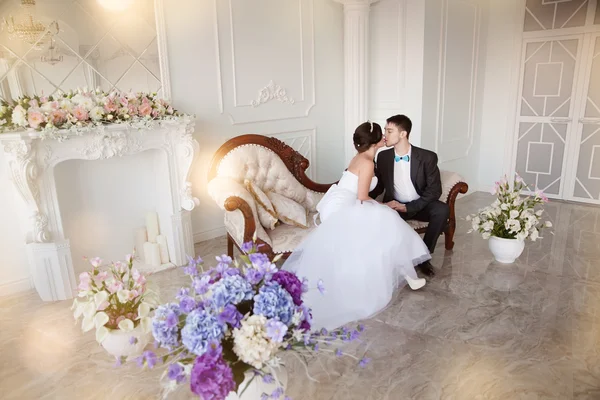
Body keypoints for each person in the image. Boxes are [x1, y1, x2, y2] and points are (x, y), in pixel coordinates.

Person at [281, 121, 430, 331]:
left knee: (384, 225)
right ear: (377, 141)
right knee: (387, 220)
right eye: (383, 134)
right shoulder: (367, 162)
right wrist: (384, 205)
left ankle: (407, 275)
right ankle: (403, 275)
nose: (386, 137)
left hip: (343, 201)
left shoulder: (362, 157)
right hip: (344, 206)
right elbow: (362, 197)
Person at [369, 114, 449, 276]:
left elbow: (435, 190)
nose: (385, 135)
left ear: (403, 134)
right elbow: (381, 185)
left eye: (389, 131)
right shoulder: (383, 156)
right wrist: (363, 194)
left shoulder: (427, 157)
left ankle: (423, 257)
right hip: (394, 206)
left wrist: (410, 206)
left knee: (442, 210)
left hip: (420, 204)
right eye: (385, 130)